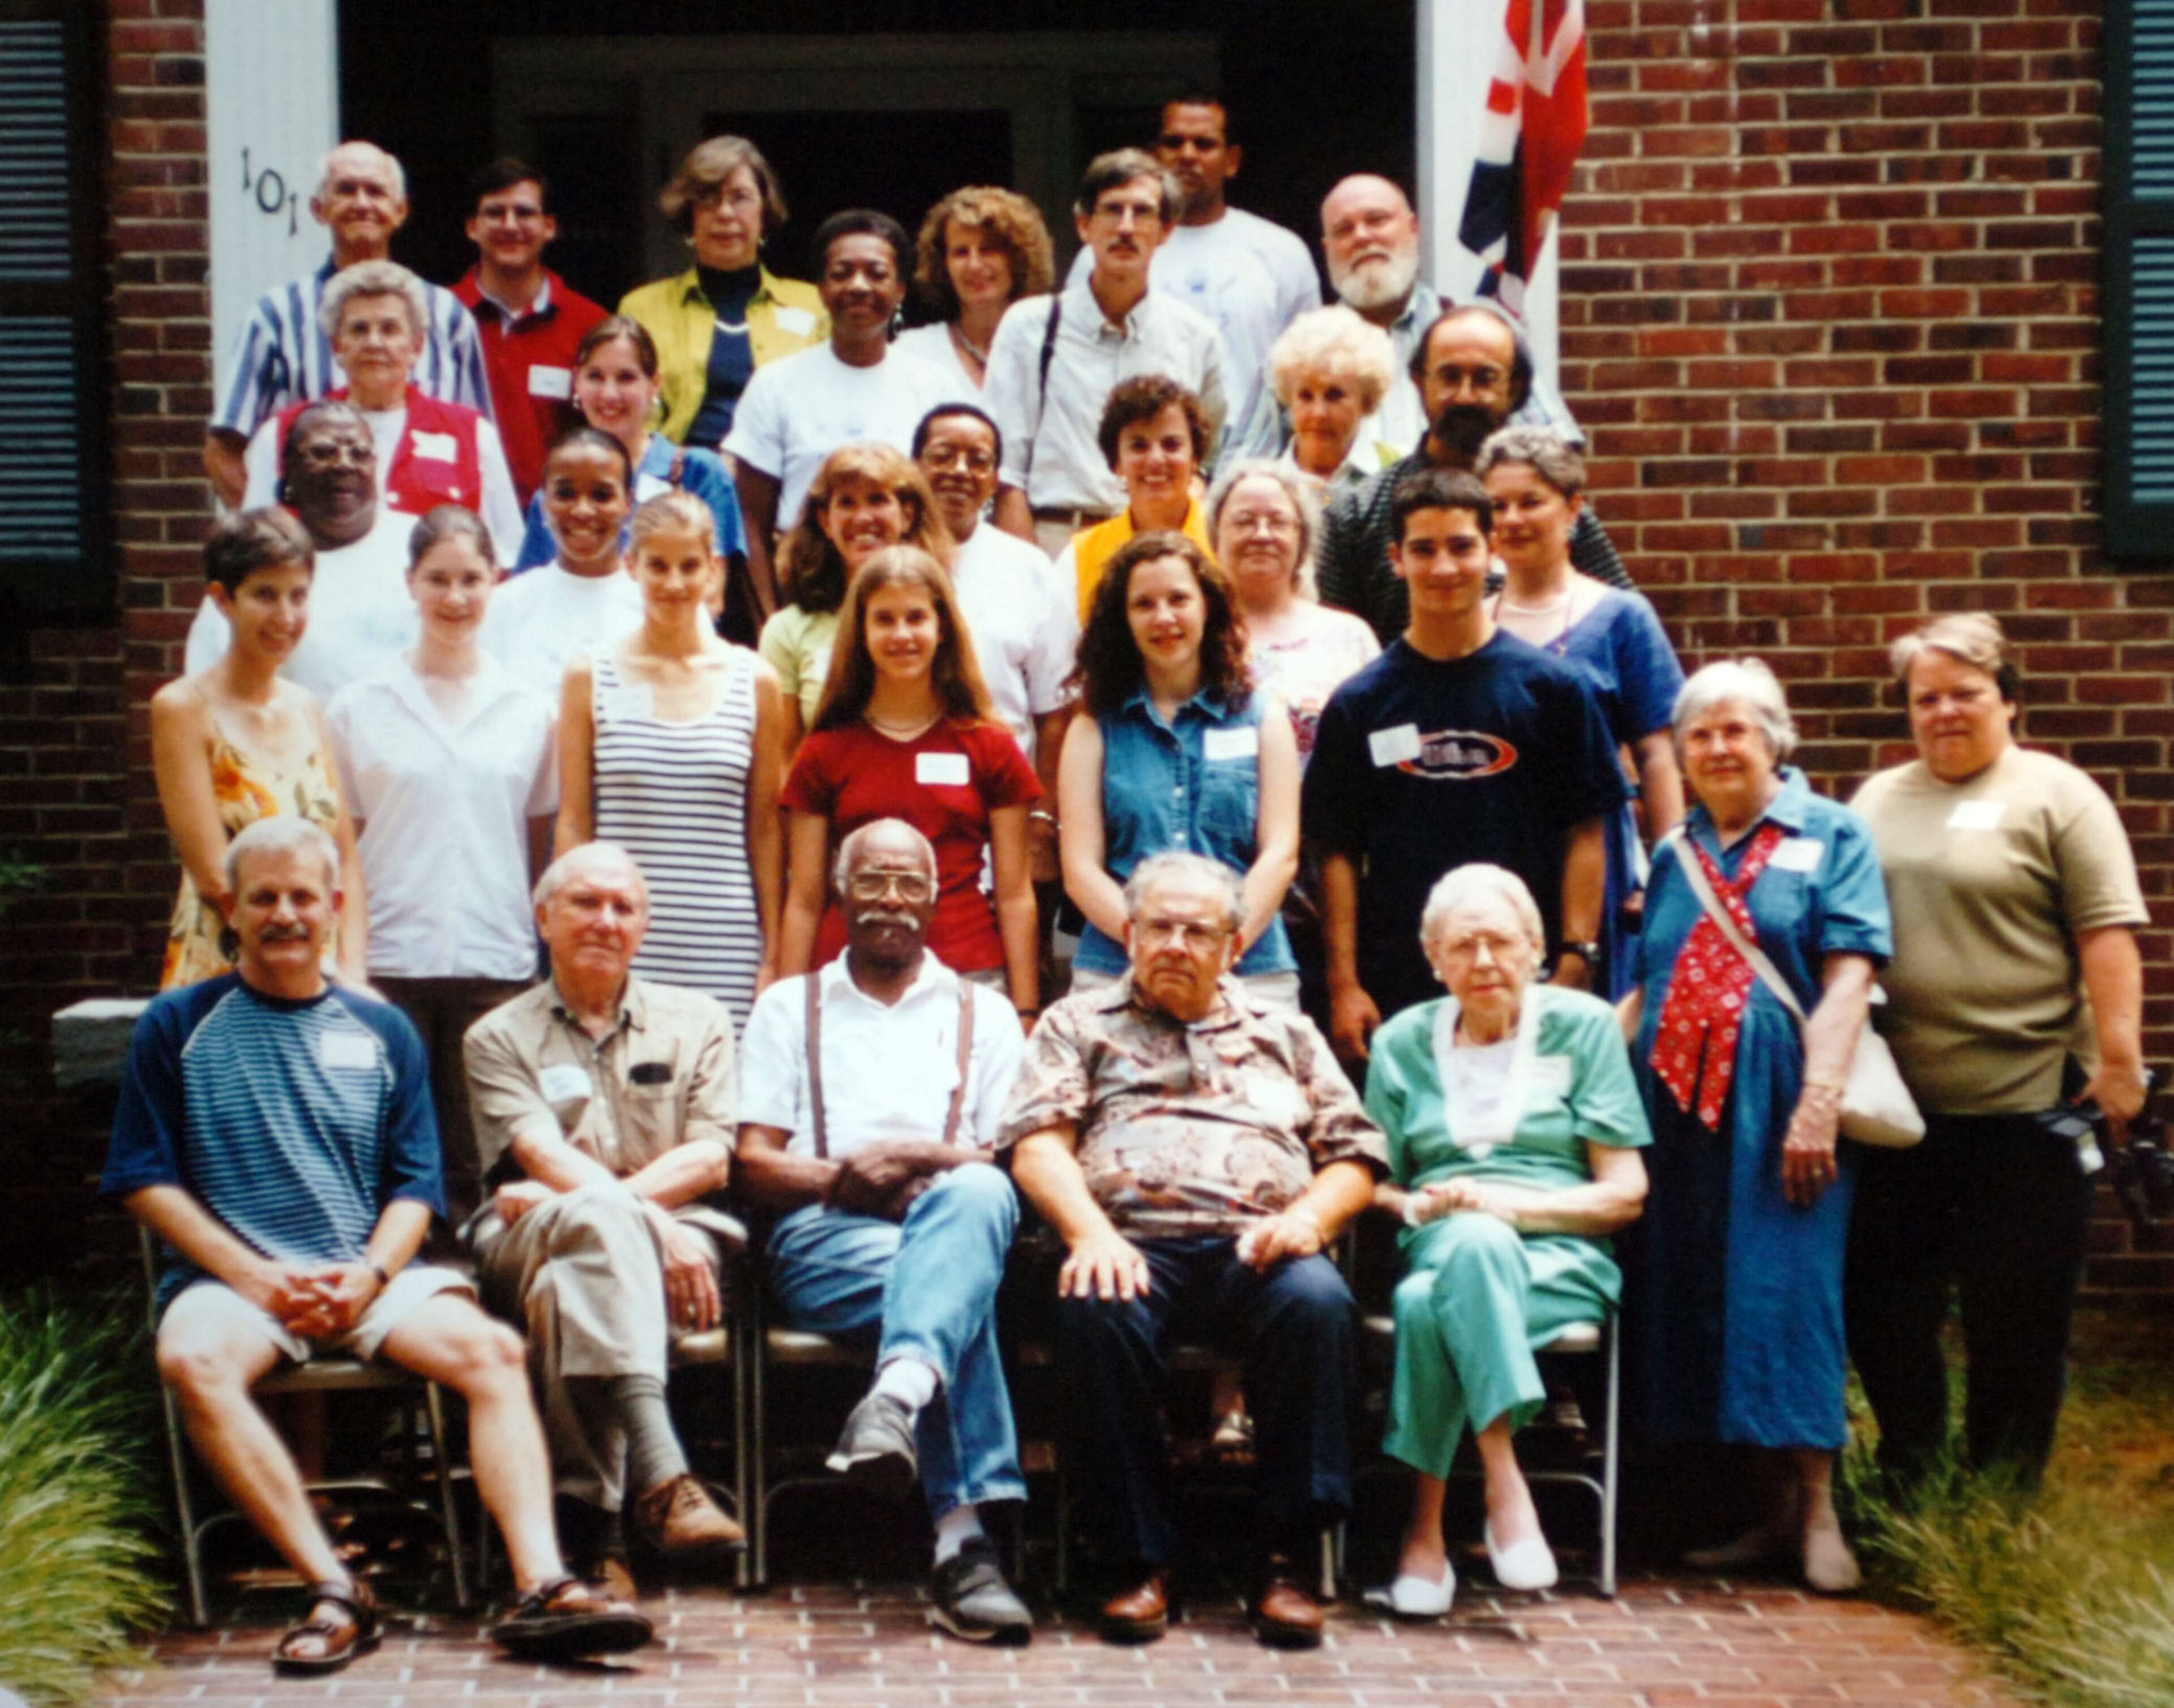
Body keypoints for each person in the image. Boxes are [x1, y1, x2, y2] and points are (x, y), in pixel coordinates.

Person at [105, 817, 652, 1674]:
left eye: (302, 896)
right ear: (233, 911)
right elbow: (144, 1179)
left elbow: (415, 1188)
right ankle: (335, 1586)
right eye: (265, 898)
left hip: (369, 1271)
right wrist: (255, 1276)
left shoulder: (381, 1028)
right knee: (191, 1360)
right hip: (236, 1279)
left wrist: (367, 1277)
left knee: (494, 1352)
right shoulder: (178, 1025)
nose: (285, 913)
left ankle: (540, 1585)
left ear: (334, 906)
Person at [1001, 853, 1386, 1649]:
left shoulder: (1287, 1031)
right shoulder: (1077, 1024)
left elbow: (1356, 1155)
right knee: (1093, 1303)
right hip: (1131, 1243)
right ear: (1130, 934)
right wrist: (1092, 1233)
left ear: (1235, 946)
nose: (1174, 943)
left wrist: (1312, 1218)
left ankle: (1285, 1557)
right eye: (1157, 927)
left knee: (1318, 1303)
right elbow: (1038, 1147)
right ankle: (1138, 1559)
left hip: (1262, 1242)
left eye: (1195, 930)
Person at [1847, 615, 2149, 1488]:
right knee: (1885, 1307)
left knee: (2014, 1320)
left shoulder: (2059, 796)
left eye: (1966, 694)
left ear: (2009, 701)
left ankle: (1998, 1500)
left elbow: (2108, 933)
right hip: (1899, 1115)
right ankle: (1910, 1470)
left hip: (2024, 1106)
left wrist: (2121, 1062)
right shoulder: (1876, 801)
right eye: (1925, 698)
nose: (1944, 712)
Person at [1623, 658, 1892, 1593]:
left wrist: (1817, 1103)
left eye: (1739, 729)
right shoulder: (1673, 851)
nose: (1720, 748)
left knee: (1789, 1291)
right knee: (1703, 1296)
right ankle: (1764, 1511)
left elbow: (1851, 974)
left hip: (1781, 1101)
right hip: (1676, 1114)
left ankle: (1821, 1513)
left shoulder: (1832, 831)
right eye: (1702, 734)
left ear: (1778, 737)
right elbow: (1648, 985)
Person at [737, 820, 1034, 1645]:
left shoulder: (990, 1013)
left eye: (909, 883)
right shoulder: (785, 1008)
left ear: (937, 899)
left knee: (972, 1198)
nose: (890, 901)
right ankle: (967, 1551)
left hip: (956, 1224)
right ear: (840, 892)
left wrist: (914, 1156)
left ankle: (900, 1409)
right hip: (826, 1240)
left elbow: (1008, 1160)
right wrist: (849, 1178)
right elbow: (753, 1165)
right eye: (872, 881)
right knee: (954, 1291)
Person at [1364, 864, 1650, 1615]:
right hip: (1442, 1231)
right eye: (1463, 946)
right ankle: (1504, 1482)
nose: (1484, 960)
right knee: (1466, 1248)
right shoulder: (1400, 1041)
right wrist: (1420, 1206)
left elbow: (1626, 1191)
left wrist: (1508, 1207)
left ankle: (1425, 1534)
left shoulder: (1584, 1028)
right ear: (1436, 960)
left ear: (1536, 949)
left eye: (1501, 942)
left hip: (1560, 1252)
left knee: (1431, 1303)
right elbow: (1373, 1181)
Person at [464, 842, 750, 1581]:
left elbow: (712, 1159)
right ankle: (662, 1476)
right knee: (588, 1237)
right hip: (535, 1231)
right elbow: (539, 1155)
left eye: (624, 907)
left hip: (665, 1235)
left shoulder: (701, 1019)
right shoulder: (496, 1037)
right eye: (587, 902)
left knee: (569, 1288)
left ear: (644, 926)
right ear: (544, 916)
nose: (606, 920)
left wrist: (604, 1205)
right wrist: (636, 1216)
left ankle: (597, 1542)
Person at [1304, 470, 1624, 1057]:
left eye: (1461, 546)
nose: (1444, 567)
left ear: (1492, 550)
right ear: (1396, 559)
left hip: (1527, 971)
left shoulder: (1554, 689)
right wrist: (1344, 984)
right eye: (1424, 550)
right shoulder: (1359, 705)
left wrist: (1578, 956)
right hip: (1400, 980)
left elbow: (1587, 828)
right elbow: (1337, 852)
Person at [327, 507, 558, 1224]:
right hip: (389, 962)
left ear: (496, 582)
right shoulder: (358, 706)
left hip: (495, 962)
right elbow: (344, 846)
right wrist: (351, 966)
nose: (455, 597)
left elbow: (541, 840)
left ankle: (474, 1301)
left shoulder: (530, 708)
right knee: (384, 1146)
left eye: (471, 579)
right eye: (438, 579)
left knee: (478, 1155)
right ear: (410, 583)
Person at [778, 547, 1042, 1018]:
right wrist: (786, 1006)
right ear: (861, 632)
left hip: (967, 973)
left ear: (942, 629)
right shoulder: (825, 751)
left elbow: (1015, 892)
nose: (901, 634)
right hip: (849, 981)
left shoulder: (990, 747)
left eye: (916, 617)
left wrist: (1024, 1008)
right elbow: (804, 898)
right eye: (884, 619)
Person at [558, 492, 786, 1036]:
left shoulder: (755, 681)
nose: (675, 583)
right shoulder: (588, 677)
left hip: (724, 942)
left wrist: (772, 953)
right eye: (658, 565)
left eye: (690, 566)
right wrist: (568, 939)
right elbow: (574, 819)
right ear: (632, 565)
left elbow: (766, 830)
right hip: (616, 938)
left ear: (714, 569)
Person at [1480, 426, 1684, 998]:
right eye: (1497, 505)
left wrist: (1669, 871)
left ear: (1573, 509)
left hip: (1594, 852)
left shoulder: (1622, 616)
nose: (1513, 519)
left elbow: (1657, 753)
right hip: (1496, 847)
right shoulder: (1473, 621)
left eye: (1531, 502)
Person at [1060, 533, 1300, 1007]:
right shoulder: (1093, 726)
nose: (1164, 617)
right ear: (1123, 620)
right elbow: (1080, 868)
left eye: (1179, 599)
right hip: (1117, 969)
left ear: (1207, 606)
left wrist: (1220, 945)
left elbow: (1281, 853)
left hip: (1249, 968)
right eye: (1144, 604)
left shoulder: (1264, 717)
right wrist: (1149, 947)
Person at [1317, 303, 1632, 645]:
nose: (1465, 396)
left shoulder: (1551, 509)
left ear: (1515, 387)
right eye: (1450, 377)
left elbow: (1620, 627)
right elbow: (1336, 653)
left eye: (1485, 379)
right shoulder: (1358, 516)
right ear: (1420, 382)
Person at [206, 140, 490, 508]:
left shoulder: (448, 316)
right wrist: (283, 539)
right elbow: (222, 452)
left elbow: (480, 449)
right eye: (346, 190)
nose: (361, 203)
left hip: (427, 552)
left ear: (400, 210)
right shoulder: (275, 316)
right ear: (319, 209)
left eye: (375, 191)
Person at [155, 508, 367, 991]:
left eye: (298, 595)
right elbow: (213, 875)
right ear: (223, 600)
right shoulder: (182, 709)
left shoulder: (309, 708)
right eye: (265, 595)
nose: (286, 617)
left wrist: (351, 974)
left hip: (318, 975)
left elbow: (346, 862)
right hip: (227, 973)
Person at [985, 150, 1226, 557]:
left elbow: (1206, 457)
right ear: (1084, 225)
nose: (1127, 228)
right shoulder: (1030, 327)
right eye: (1113, 210)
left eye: (1143, 213)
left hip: (1156, 546)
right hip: (1057, 538)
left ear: (1166, 230)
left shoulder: (1195, 337)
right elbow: (1006, 469)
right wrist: (1027, 569)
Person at [726, 210, 964, 617]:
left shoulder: (934, 386)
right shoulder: (776, 384)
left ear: (901, 289)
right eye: (842, 273)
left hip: (908, 604)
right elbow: (750, 518)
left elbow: (947, 512)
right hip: (806, 598)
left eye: (876, 274)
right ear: (821, 288)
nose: (858, 286)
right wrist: (770, 619)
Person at [1062, 100, 1320, 455]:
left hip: (1250, 469)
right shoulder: (1103, 252)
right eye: (1174, 142)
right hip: (1134, 464)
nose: (1187, 155)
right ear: (1154, 156)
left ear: (1232, 160)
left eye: (1204, 144)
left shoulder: (1282, 252)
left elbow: (1307, 376)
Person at [239, 260, 524, 566]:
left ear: (416, 346)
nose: (374, 343)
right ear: (337, 346)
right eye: (359, 329)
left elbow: (506, 556)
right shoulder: (285, 433)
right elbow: (253, 552)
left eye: (389, 329)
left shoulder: (472, 434)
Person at [1313, 173, 1583, 463]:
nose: (1362, 236)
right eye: (1344, 229)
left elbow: (1556, 452)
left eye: (1377, 220)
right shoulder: (1305, 353)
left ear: (1413, 228)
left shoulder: (1487, 331)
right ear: (1327, 249)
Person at [183, 401, 423, 702]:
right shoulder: (253, 562)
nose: (344, 463)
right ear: (289, 472)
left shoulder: (421, 545)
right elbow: (207, 692)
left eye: (359, 453)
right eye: (323, 452)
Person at [509, 319, 749, 598]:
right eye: (595, 376)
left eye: (626, 378)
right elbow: (529, 595)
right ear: (577, 382)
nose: (609, 394)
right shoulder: (557, 494)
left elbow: (711, 597)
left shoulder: (698, 474)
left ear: (655, 384)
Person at [617, 134, 827, 450]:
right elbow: (631, 415)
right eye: (709, 199)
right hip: (677, 481)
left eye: (740, 197)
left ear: (764, 212)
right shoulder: (642, 308)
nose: (725, 213)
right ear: (691, 215)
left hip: (784, 479)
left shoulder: (815, 306)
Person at [759, 442, 956, 752]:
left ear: (907, 514)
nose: (863, 517)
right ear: (826, 521)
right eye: (847, 503)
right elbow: (783, 757)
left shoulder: (939, 616)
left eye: (877, 500)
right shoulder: (786, 631)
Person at [913, 404, 1077, 771]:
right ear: (914, 468)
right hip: (898, 789)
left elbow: (1055, 714)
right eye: (943, 456)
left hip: (1002, 793)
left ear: (993, 480)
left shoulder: (1030, 568)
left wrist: (1042, 817)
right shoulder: (886, 563)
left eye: (978, 461)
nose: (959, 470)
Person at [452, 157, 609, 506]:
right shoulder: (441, 318)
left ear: (549, 226)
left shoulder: (589, 324)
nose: (510, 226)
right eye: (495, 213)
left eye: (524, 213)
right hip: (460, 518)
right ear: (472, 227)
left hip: (561, 519)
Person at [483, 429, 645, 699]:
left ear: (628, 503)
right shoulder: (505, 607)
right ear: (544, 501)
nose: (582, 510)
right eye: (566, 493)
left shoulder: (660, 608)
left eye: (602, 495)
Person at [1054, 374, 1219, 624]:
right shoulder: (1080, 557)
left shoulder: (1225, 543)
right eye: (1139, 446)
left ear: (1195, 458)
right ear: (1117, 462)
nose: (1155, 460)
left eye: (1171, 445)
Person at [900, 186, 1057, 392]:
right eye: (961, 252)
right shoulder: (914, 352)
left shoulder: (1051, 349)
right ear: (943, 264)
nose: (974, 265)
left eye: (988, 250)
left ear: (1018, 258)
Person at [1264, 305, 1403, 499]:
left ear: (1366, 400)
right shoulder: (1264, 486)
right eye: (1305, 396)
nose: (1318, 413)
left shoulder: (1402, 473)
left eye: (1334, 396)